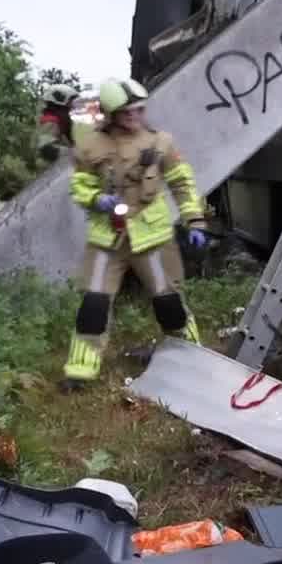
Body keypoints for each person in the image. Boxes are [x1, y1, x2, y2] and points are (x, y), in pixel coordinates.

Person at [61, 78, 208, 385]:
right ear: (111, 113)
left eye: (139, 110)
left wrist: (194, 220)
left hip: (152, 237)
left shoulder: (161, 143)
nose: (135, 117)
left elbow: (182, 183)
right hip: (107, 239)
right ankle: (80, 371)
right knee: (94, 305)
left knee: (169, 302)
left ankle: (193, 359)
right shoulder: (89, 146)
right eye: (127, 112)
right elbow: (80, 185)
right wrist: (95, 198)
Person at [35, 84, 80, 161]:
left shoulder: (63, 120)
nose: (72, 105)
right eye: (70, 102)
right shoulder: (50, 121)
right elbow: (46, 148)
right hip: (56, 166)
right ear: (60, 102)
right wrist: (72, 152)